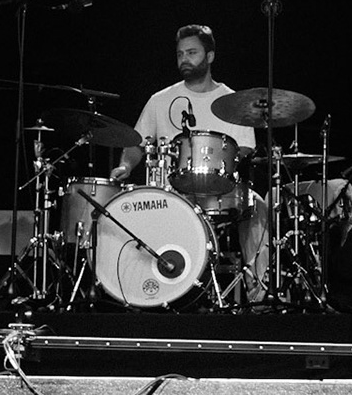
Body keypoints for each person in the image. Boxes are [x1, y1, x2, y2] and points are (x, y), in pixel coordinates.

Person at [110, 24, 267, 297]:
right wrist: (125, 166)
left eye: (192, 52)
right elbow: (136, 142)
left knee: (259, 207)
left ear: (210, 56)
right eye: (180, 53)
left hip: (220, 191)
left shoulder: (232, 101)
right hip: (171, 194)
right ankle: (133, 289)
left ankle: (259, 292)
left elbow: (244, 151)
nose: (184, 58)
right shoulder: (160, 100)